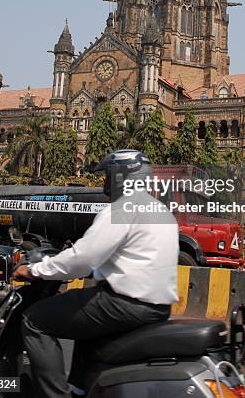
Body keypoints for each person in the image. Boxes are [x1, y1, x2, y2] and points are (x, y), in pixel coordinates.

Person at [12, 150, 179, 398]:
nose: (104, 184)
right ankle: (79, 389)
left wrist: (36, 270)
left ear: (121, 177)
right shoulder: (161, 210)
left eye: (108, 176)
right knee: (82, 313)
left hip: (123, 304)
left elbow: (83, 259)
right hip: (158, 307)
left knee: (35, 321)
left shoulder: (121, 210)